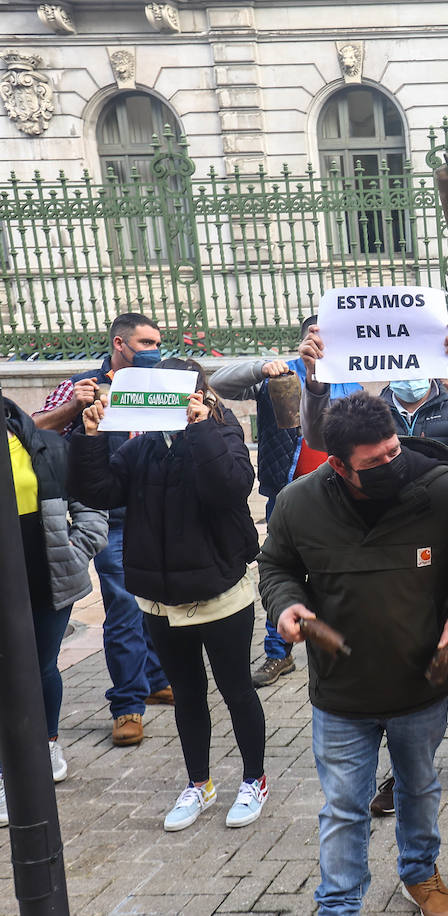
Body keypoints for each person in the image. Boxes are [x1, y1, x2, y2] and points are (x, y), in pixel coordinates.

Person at [258, 391, 448, 916]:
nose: (393, 463)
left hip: (421, 685)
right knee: (345, 807)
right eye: (376, 462)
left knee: (418, 789)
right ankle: (340, 903)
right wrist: (286, 605)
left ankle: (420, 873)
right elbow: (275, 567)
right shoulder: (298, 503)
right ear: (339, 464)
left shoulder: (442, 491)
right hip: (341, 692)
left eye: (394, 450)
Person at [297, 371, 448, 811]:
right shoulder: (372, 409)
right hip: (397, 580)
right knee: (398, 686)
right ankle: (402, 774)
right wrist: (313, 384)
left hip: (444, 555)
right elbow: (316, 436)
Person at [69, 359, 268, 832]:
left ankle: (254, 779)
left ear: (197, 394)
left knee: (236, 689)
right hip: (160, 600)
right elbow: (99, 489)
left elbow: (232, 488)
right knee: (189, 696)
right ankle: (199, 782)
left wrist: (198, 429)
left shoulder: (220, 432)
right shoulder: (142, 446)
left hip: (219, 594)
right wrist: (91, 438)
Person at [33, 312, 171, 746]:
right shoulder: (82, 386)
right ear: (119, 344)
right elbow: (30, 431)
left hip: (154, 513)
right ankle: (127, 705)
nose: (154, 351)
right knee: (125, 605)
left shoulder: (162, 384)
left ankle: (153, 677)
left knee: (154, 601)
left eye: (157, 343)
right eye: (146, 343)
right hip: (109, 518)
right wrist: (74, 407)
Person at [209, 315, 362, 688]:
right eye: (314, 336)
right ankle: (279, 653)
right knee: (281, 571)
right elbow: (218, 383)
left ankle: (344, 647)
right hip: (286, 494)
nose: (321, 343)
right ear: (303, 341)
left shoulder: (351, 382)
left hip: (337, 497)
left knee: (341, 571)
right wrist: (261, 366)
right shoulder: (278, 375)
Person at [0, 398, 108, 827]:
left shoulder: (46, 447)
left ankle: (47, 743)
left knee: (42, 666)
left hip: (47, 582)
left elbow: (91, 507)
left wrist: (74, 554)